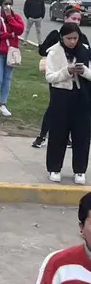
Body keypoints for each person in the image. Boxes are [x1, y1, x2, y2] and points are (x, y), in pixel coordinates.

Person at [33, 5, 87, 149]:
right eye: (73, 18)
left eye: (78, 19)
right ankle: (43, 135)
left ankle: (69, 136)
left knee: (77, 111)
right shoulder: (55, 34)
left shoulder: (83, 38)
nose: (76, 21)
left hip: (78, 82)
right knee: (53, 108)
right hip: (58, 79)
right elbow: (43, 50)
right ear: (65, 19)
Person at [44, 23, 91, 184]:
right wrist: (66, 72)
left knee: (82, 135)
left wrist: (83, 71)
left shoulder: (84, 50)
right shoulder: (54, 52)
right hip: (61, 96)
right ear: (62, 38)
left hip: (82, 97)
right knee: (58, 133)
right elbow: (50, 77)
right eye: (69, 38)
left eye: (75, 38)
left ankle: (79, 170)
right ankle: (54, 168)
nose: (72, 42)